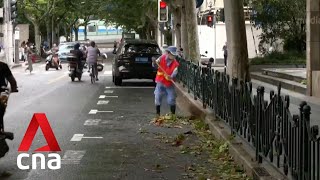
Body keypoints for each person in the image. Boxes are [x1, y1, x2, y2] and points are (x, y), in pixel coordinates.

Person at [152, 47, 179, 119]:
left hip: (169, 84)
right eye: (172, 54)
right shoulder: (162, 58)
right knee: (157, 97)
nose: (173, 56)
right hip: (160, 81)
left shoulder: (175, 64)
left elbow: (175, 72)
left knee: (171, 99)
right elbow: (155, 64)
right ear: (168, 53)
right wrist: (154, 62)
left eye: (174, 55)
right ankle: (158, 114)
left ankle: (173, 115)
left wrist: (171, 76)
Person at [0, 61, 18, 132]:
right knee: (1, 108)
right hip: (2, 91)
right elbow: (13, 82)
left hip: (2, 92)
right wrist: (13, 89)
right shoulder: (2, 65)